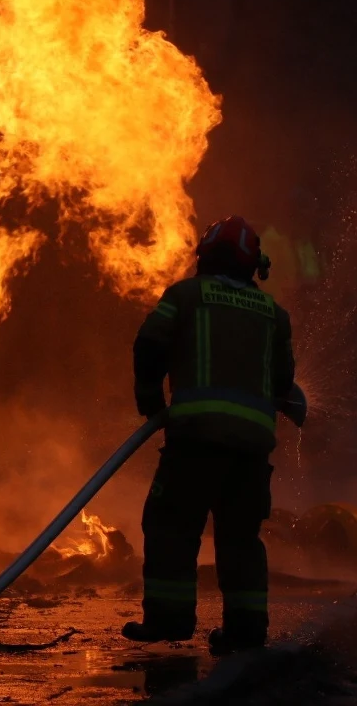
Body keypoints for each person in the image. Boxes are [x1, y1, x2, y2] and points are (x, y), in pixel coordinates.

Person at [123, 215, 300, 655]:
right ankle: (246, 631)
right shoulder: (275, 315)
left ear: (204, 256)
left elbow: (149, 343)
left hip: (195, 441)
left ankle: (170, 619)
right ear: (253, 264)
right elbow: (283, 383)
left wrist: (150, 399)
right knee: (240, 538)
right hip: (251, 450)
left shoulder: (185, 295)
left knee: (171, 525)